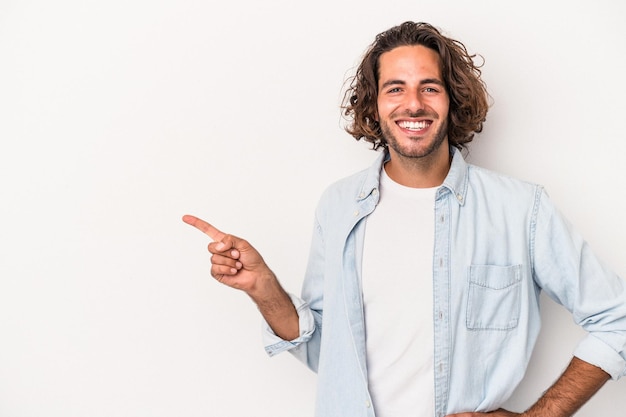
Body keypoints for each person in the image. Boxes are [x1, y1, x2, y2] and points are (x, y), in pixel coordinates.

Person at [183, 21, 626, 417]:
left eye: (429, 87)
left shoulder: (520, 210)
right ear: (374, 104)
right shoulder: (339, 205)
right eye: (395, 88)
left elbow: (617, 319)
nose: (413, 104)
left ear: (453, 99)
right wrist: (264, 288)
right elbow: (330, 356)